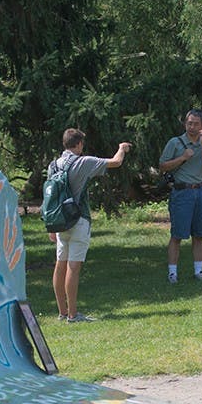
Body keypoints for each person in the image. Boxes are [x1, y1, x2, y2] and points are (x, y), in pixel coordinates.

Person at [48, 129, 131, 322]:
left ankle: (62, 312)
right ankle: (73, 314)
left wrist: (51, 227)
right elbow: (115, 162)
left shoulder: (53, 165)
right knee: (74, 267)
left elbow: (50, 196)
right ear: (77, 144)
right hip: (78, 219)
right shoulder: (83, 162)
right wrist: (122, 148)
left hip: (59, 221)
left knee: (60, 265)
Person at [159, 108, 202, 283]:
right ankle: (172, 273)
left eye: (196, 124)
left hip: (200, 191)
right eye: (189, 123)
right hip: (181, 192)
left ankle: (199, 271)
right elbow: (163, 165)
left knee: (199, 234)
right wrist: (182, 157)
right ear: (185, 123)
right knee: (177, 234)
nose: (191, 127)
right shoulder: (175, 143)